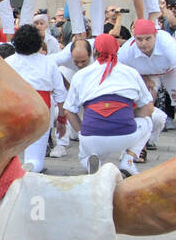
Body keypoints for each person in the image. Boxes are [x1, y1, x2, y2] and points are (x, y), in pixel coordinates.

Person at [63, 33, 155, 177]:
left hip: (92, 135)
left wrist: (82, 133)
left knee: (85, 153)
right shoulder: (131, 72)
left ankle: (91, 162)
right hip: (126, 134)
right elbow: (149, 107)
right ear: (117, 49)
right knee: (148, 122)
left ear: (94, 51)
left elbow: (69, 111)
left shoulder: (81, 75)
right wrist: (131, 115)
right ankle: (128, 160)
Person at [118, 19, 176, 149]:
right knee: (140, 104)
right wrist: (140, 79)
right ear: (134, 38)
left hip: (171, 71)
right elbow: (119, 74)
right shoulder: (126, 51)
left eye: (148, 39)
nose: (143, 44)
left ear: (156, 35)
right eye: (139, 39)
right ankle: (137, 148)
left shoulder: (167, 43)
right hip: (144, 73)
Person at [5, 24, 67, 173]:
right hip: (41, 110)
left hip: (15, 110)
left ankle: (9, 169)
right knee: (35, 157)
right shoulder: (48, 63)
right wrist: (62, 120)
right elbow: (60, 93)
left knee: (8, 152)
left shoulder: (8, 63)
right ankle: (32, 167)